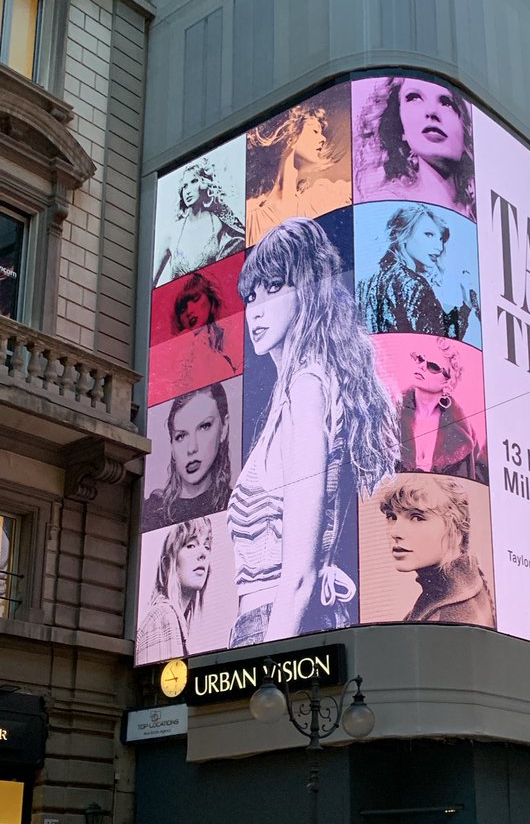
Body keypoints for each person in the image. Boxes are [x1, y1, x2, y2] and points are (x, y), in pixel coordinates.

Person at [228, 217, 399, 646]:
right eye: (251, 296)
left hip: (276, 626)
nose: (258, 309)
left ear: (308, 289)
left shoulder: (307, 387)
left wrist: (267, 668)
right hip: (270, 622)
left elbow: (300, 574)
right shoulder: (296, 389)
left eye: (275, 287)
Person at [379, 474, 495, 626]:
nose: (395, 532)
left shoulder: (444, 615)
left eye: (417, 517)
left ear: (456, 527)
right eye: (392, 516)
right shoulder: (470, 578)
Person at [354, 76, 475, 219]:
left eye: (447, 103)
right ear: (400, 127)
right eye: (414, 98)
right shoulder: (387, 207)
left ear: (465, 129)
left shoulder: (480, 214)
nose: (432, 112)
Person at [246, 97, 351, 242]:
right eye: (315, 131)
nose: (323, 139)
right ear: (291, 132)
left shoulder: (323, 197)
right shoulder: (251, 219)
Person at [142, 384, 232, 532]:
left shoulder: (236, 504)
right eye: (181, 436)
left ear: (224, 427)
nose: (191, 448)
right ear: (172, 444)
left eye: (204, 427)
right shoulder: (150, 513)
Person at [358, 205, 457, 336]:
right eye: (428, 235)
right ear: (403, 234)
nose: (439, 247)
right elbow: (440, 345)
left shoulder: (365, 283)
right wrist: (464, 309)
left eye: (440, 239)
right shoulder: (415, 286)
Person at [397, 341, 488, 482]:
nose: (422, 366)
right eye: (421, 359)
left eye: (433, 366)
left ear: (448, 381)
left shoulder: (463, 434)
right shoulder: (388, 416)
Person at [153, 158, 245, 286]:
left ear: (204, 183)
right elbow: (151, 286)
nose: (188, 190)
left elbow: (242, 238)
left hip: (210, 299)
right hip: (179, 301)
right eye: (184, 186)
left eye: (193, 182)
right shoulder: (172, 233)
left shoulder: (218, 222)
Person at [136, 518, 213, 664]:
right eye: (190, 545)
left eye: (207, 546)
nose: (203, 553)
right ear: (167, 564)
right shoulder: (162, 617)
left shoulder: (173, 619)